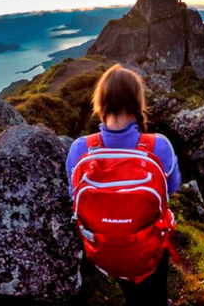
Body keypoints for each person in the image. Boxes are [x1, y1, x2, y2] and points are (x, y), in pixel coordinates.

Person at [66, 64, 181, 306]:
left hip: (104, 252)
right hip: (149, 247)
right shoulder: (158, 146)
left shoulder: (80, 149)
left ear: (101, 102)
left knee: (129, 289)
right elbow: (171, 188)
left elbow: (74, 197)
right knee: (155, 291)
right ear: (137, 102)